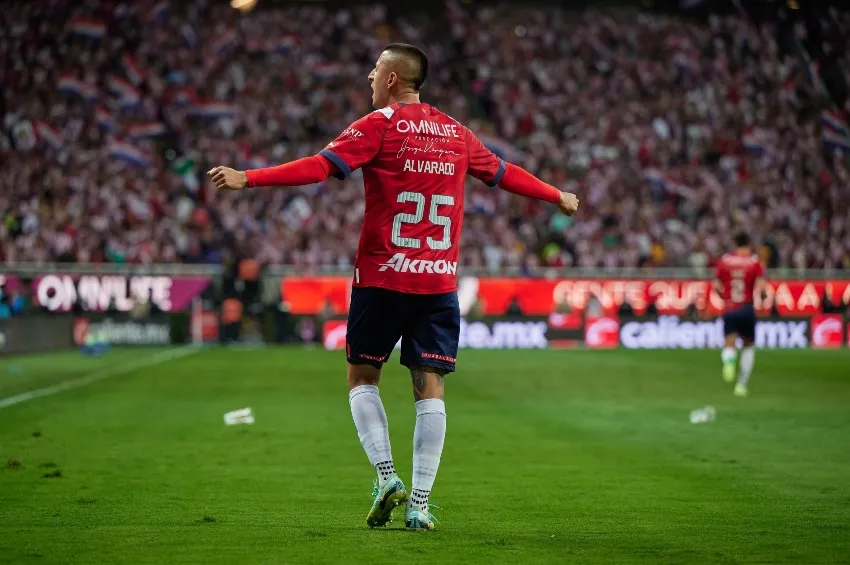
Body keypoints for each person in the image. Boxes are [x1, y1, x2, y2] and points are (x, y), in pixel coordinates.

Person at [208, 43, 579, 530]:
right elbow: (504, 175)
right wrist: (557, 195)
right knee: (431, 389)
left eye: (375, 69)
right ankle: (421, 505)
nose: (368, 75)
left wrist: (247, 178)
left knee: (363, 378)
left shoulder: (379, 124)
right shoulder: (457, 133)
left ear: (390, 80)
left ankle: (386, 477)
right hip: (437, 284)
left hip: (382, 277)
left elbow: (320, 167)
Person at [712, 232, 766, 397]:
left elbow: (716, 287)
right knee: (748, 346)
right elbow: (762, 288)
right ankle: (741, 385)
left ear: (735, 243)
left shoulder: (725, 261)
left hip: (729, 308)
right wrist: (763, 298)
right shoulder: (755, 262)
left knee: (729, 342)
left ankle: (729, 360)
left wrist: (724, 298)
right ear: (748, 243)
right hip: (747, 308)